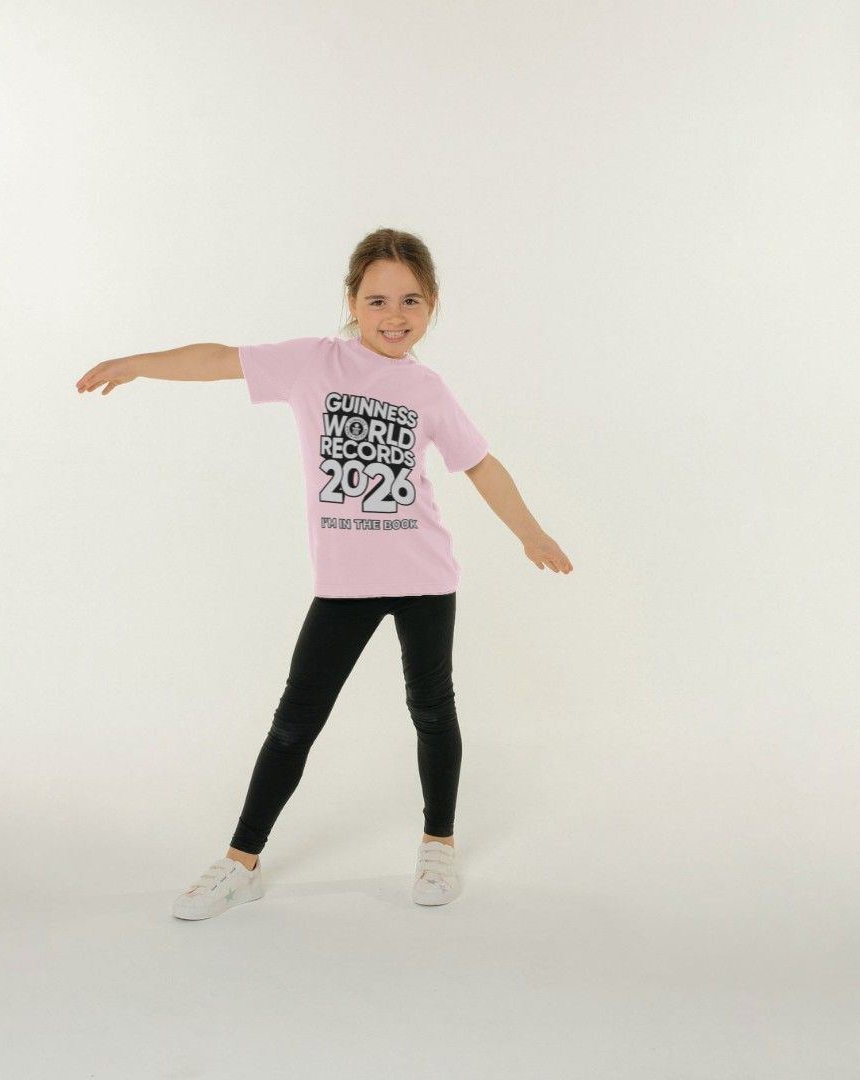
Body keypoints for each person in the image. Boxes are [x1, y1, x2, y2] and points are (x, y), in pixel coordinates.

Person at [75, 228, 573, 920]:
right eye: (377, 301)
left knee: (432, 709)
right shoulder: (314, 363)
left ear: (431, 306)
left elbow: (479, 464)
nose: (394, 316)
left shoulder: (428, 387)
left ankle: (438, 843)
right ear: (351, 302)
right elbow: (218, 358)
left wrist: (530, 532)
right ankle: (240, 861)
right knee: (295, 721)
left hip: (426, 575)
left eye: (410, 301)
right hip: (345, 585)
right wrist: (139, 362)